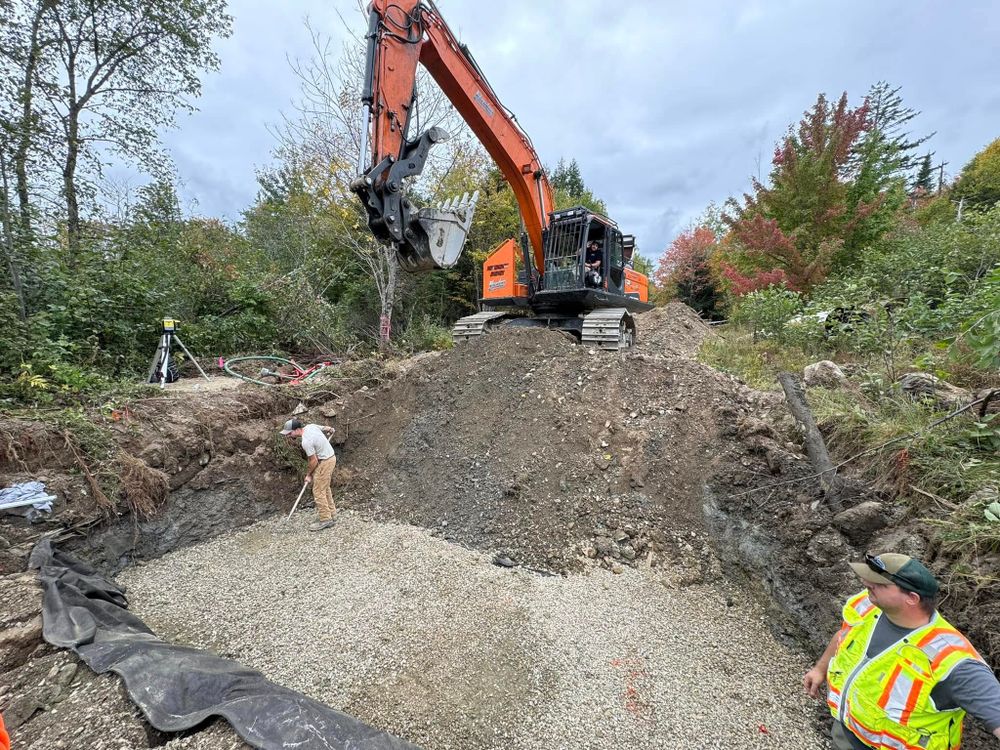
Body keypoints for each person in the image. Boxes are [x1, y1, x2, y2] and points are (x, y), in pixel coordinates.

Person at [803, 552, 1000, 749]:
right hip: (846, 734)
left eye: (879, 583)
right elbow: (845, 635)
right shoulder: (868, 604)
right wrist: (821, 669)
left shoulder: (952, 660)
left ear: (912, 598)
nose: (865, 582)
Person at [279, 418, 338, 531]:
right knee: (324, 488)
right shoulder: (311, 426)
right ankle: (332, 514)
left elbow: (313, 460)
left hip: (325, 461)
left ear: (297, 430)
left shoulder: (306, 441)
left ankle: (326, 519)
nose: (288, 435)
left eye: (290, 433)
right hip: (330, 458)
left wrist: (308, 475)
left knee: (318, 491)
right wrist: (330, 429)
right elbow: (325, 428)